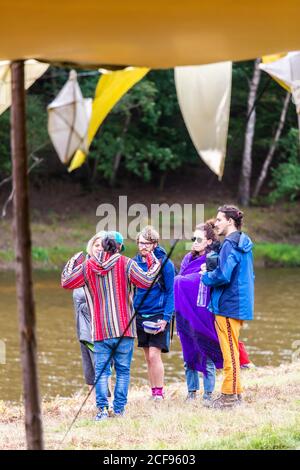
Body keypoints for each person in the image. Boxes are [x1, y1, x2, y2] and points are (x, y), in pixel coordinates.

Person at [61, 231, 161, 420]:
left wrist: (74, 260)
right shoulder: (126, 263)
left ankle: (102, 411)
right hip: (124, 327)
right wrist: (152, 259)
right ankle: (119, 410)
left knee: (101, 372)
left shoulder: (88, 266)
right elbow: (147, 281)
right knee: (123, 371)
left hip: (99, 330)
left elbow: (66, 282)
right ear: (118, 247)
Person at [201, 205, 255, 409]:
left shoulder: (230, 245)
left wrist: (206, 277)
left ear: (230, 221)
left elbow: (223, 275)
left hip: (227, 305)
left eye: (219, 219)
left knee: (229, 352)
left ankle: (228, 397)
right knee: (231, 349)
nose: (216, 223)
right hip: (237, 304)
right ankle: (236, 393)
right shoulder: (243, 242)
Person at [175, 220, 224, 403]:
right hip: (186, 312)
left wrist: (185, 280)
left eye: (198, 239)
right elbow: (182, 284)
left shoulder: (215, 259)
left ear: (209, 241)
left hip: (205, 312)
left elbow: (214, 283)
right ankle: (191, 391)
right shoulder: (188, 258)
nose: (194, 241)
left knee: (207, 352)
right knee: (189, 353)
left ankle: (208, 394)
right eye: (193, 238)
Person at [133, 226, 175, 400]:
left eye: (147, 243)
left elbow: (171, 291)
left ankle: (159, 392)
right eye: (140, 243)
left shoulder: (165, 263)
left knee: (154, 354)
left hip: (159, 314)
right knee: (147, 357)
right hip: (140, 314)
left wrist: (166, 318)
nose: (143, 246)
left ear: (155, 244)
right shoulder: (135, 262)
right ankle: (153, 391)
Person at [72, 231, 106, 392]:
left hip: (100, 327)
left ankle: (106, 404)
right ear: (90, 247)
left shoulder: (106, 268)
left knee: (102, 368)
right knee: (89, 373)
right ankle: (96, 404)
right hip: (82, 327)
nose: (99, 248)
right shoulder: (82, 267)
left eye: (102, 245)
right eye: (96, 245)